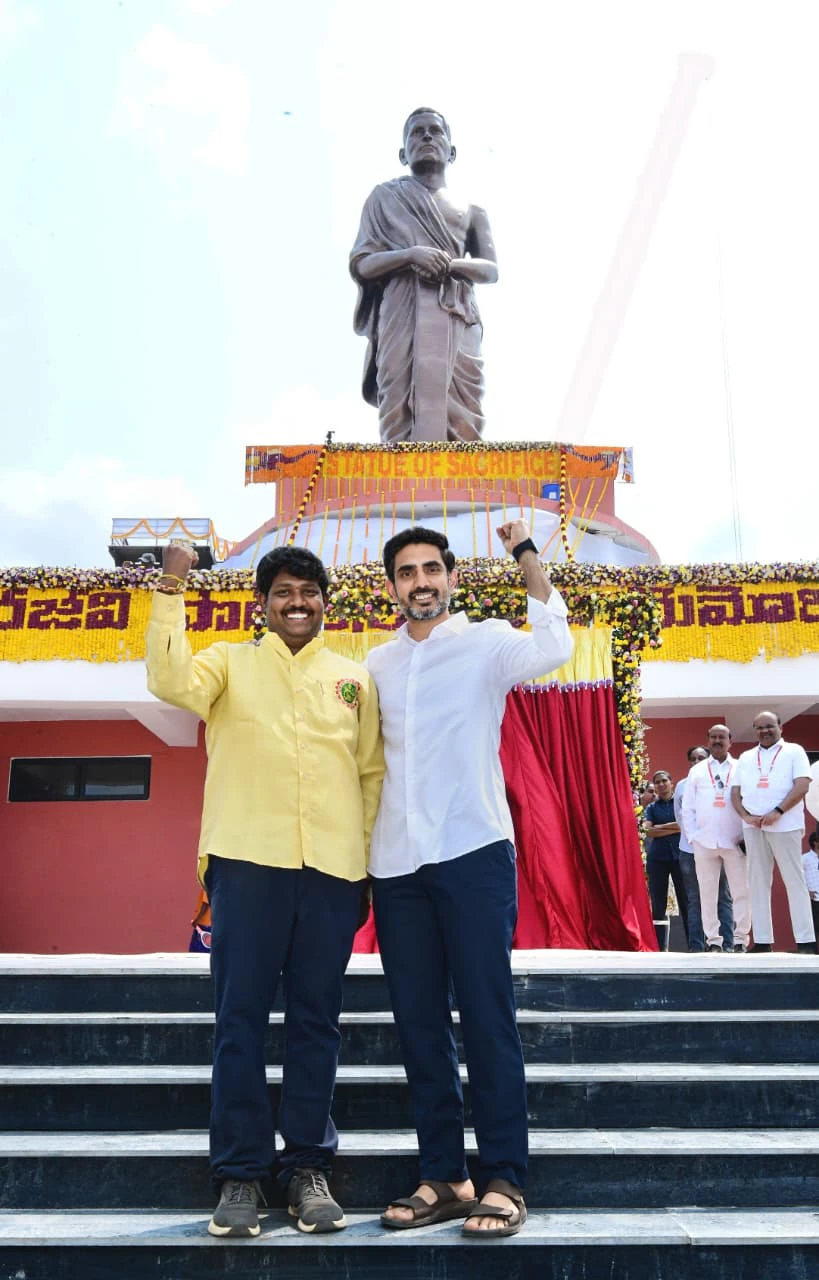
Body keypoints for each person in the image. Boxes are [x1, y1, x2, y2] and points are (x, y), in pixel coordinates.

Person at [145, 543, 384, 1237]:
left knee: (316, 1022)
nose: (297, 603)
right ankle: (240, 1178)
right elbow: (167, 679)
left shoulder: (353, 679)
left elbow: (370, 775)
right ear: (262, 602)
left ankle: (307, 1168)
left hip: (333, 872)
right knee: (240, 1022)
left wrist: (364, 867)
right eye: (283, 592)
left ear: (324, 602)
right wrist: (171, 583)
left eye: (308, 592)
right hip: (246, 864)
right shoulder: (226, 662)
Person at [366, 520, 573, 1237]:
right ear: (391, 586)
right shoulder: (374, 665)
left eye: (431, 569)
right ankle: (444, 1176)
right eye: (406, 572)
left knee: (486, 1018)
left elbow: (555, 645)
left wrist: (524, 554)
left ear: (451, 577)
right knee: (419, 1025)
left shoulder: (485, 644)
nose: (420, 582)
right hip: (393, 863)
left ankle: (504, 1178)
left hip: (473, 850)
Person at [350, 108, 498, 442]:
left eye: (435, 131)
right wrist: (409, 256)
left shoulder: (472, 210)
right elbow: (362, 262)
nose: (427, 137)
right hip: (400, 313)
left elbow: (490, 270)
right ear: (403, 153)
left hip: (456, 313)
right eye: (417, 132)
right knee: (400, 407)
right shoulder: (384, 199)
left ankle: (460, 485)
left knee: (462, 408)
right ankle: (402, 483)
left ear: (452, 150)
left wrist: (450, 265)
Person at [730, 711, 815, 954]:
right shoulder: (746, 757)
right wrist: (745, 816)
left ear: (780, 727)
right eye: (759, 728)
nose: (764, 731)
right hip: (754, 826)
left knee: (794, 881)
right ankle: (764, 940)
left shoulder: (794, 751)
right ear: (754, 730)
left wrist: (778, 811)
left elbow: (802, 785)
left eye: (769, 726)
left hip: (785, 825)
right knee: (757, 882)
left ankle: (806, 941)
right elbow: (735, 792)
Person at [682, 725, 749, 952]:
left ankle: (741, 939)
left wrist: (746, 834)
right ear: (708, 740)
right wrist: (693, 836)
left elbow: (748, 801)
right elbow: (688, 807)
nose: (717, 741)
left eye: (722, 737)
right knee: (707, 893)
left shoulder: (742, 767)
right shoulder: (698, 770)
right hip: (705, 842)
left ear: (731, 740)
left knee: (741, 891)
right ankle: (713, 941)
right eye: (713, 737)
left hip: (735, 840)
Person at [675, 743, 734, 950]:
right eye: (693, 759)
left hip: (719, 847)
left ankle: (727, 942)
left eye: (701, 758)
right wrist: (694, 838)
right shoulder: (682, 785)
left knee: (723, 897)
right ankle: (698, 945)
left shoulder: (725, 777)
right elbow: (681, 816)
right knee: (695, 899)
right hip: (691, 850)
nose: (696, 762)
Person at [644, 771, 691, 945]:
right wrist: (673, 827)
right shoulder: (651, 808)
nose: (661, 784)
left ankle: (693, 943)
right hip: (657, 860)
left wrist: (661, 827)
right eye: (657, 782)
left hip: (680, 857)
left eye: (664, 781)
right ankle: (659, 945)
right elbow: (648, 831)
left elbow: (683, 825)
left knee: (686, 901)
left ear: (672, 782)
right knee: (658, 903)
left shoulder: (679, 804)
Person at [802, 833, 819, 941]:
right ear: (815, 842)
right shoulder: (805, 858)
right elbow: (798, 876)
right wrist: (807, 891)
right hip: (813, 898)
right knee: (814, 927)